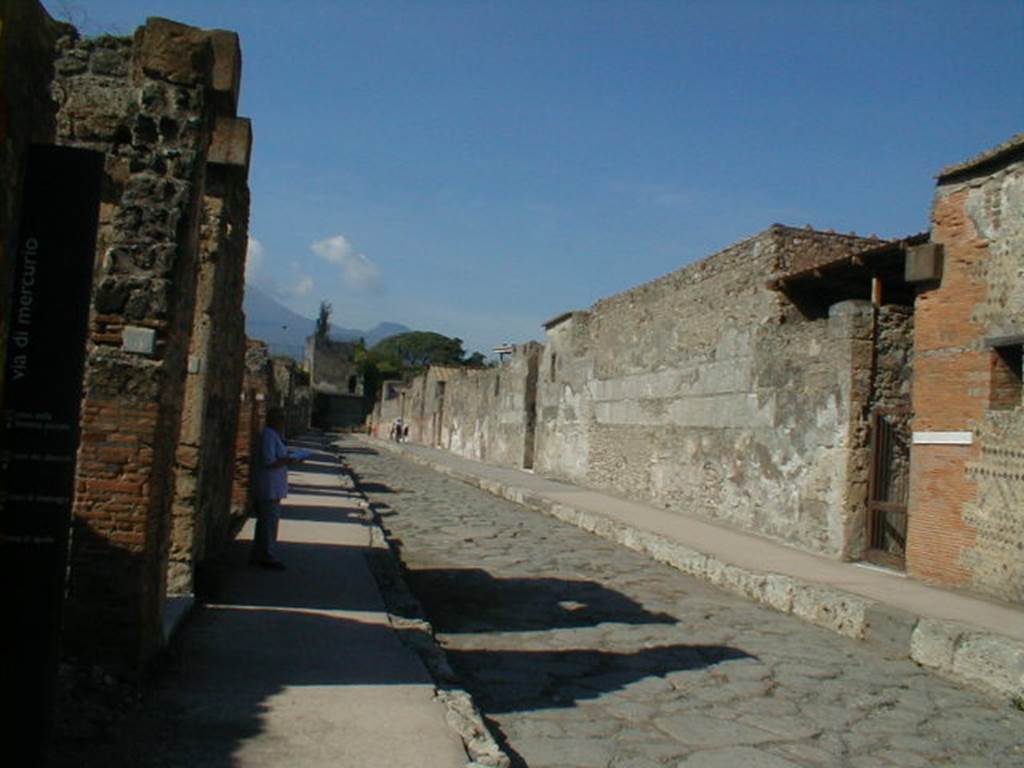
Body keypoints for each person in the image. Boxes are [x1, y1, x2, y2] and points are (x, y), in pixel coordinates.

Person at [250, 407, 300, 570]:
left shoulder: (275, 436)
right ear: (274, 420)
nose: (283, 422)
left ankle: (260, 553)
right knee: (268, 523)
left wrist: (290, 457)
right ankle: (267, 556)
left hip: (273, 487)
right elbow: (269, 461)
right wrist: (289, 460)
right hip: (268, 487)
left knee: (267, 523)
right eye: (281, 418)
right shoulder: (268, 436)